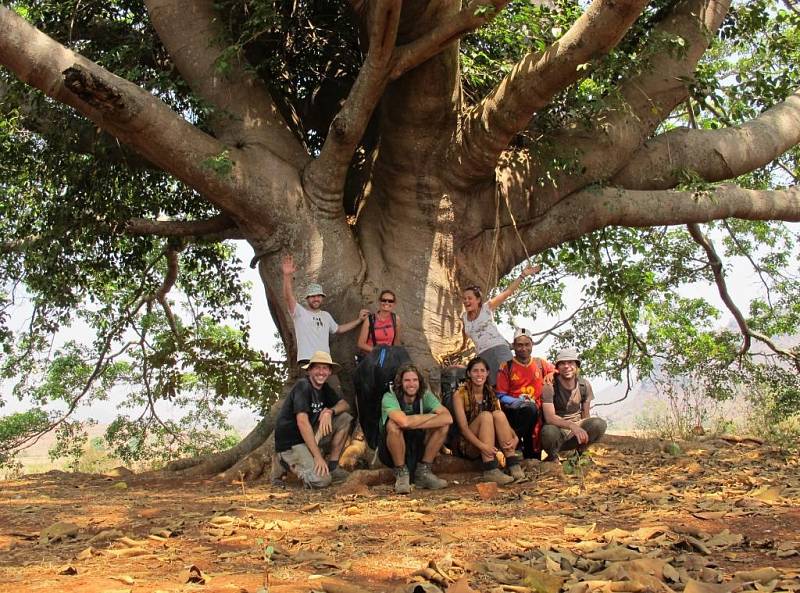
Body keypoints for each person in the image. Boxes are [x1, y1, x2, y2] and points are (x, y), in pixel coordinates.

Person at [274, 351, 354, 488]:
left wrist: (329, 411)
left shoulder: (324, 389)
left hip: (308, 438)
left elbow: (345, 405)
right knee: (322, 480)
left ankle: (333, 467)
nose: (321, 372)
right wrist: (318, 457)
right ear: (310, 370)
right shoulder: (303, 386)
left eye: (325, 368)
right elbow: (302, 422)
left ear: (329, 372)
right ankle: (283, 461)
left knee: (344, 419)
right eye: (317, 367)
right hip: (291, 443)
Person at [378, 363, 452, 494]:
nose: (411, 384)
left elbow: (448, 418)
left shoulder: (425, 395)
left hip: (418, 445)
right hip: (392, 449)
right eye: (407, 380)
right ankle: (401, 474)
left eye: (415, 380)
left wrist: (414, 422)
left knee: (443, 425)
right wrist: (431, 417)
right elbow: (403, 422)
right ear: (400, 382)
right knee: (393, 425)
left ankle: (423, 472)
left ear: (419, 382)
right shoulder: (389, 397)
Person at [461, 263, 541, 384]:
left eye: (469, 298)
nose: (466, 301)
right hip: (482, 355)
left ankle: (523, 403)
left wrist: (523, 275)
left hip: (498, 349)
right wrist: (462, 346)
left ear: (478, 300)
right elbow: (465, 333)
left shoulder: (486, 308)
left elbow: (507, 292)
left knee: (512, 380)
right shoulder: (464, 317)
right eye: (464, 298)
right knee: (494, 387)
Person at [282, 254, 369, 364]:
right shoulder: (299, 313)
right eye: (313, 296)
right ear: (307, 299)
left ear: (322, 298)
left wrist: (359, 320)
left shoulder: (326, 316)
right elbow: (288, 297)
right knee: (307, 382)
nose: (316, 299)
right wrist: (286, 276)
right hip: (307, 360)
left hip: (324, 361)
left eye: (318, 296)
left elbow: (339, 329)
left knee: (334, 382)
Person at [450, 357, 524, 485]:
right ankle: (490, 469)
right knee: (485, 416)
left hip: (489, 442)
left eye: (482, 371)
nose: (479, 375)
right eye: (475, 371)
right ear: (468, 373)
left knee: (498, 414)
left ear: (487, 373)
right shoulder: (460, 394)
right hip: (468, 444)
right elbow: (463, 429)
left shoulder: (490, 393)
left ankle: (512, 463)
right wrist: (483, 447)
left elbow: (502, 421)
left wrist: (515, 437)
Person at [496, 328, 555, 459]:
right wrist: (518, 402)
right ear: (514, 346)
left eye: (527, 344)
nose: (523, 348)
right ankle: (515, 440)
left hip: (537, 417)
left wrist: (551, 373)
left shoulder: (540, 363)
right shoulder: (506, 366)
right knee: (529, 408)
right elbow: (500, 395)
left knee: (533, 457)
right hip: (515, 413)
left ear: (532, 344)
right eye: (519, 345)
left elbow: (556, 371)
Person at [540, 348, 607, 462]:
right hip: (557, 431)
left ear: (576, 366)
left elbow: (586, 415)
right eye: (562, 363)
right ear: (557, 368)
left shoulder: (584, 385)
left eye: (570, 362)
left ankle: (580, 452)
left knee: (599, 424)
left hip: (576, 431)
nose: (567, 366)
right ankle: (553, 456)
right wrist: (572, 426)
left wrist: (583, 431)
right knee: (548, 432)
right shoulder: (549, 386)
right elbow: (549, 418)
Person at [357, 289, 401, 356]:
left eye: (390, 301)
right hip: (371, 357)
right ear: (379, 301)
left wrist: (395, 355)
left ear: (394, 304)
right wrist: (378, 351)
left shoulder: (396, 319)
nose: (387, 303)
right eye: (384, 300)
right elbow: (360, 344)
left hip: (387, 357)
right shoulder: (370, 320)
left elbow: (396, 341)